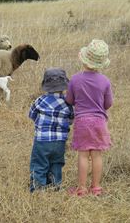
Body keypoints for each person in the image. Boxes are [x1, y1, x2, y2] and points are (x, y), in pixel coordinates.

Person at [66, 39, 113, 196]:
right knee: (97, 154)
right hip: (99, 122)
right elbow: (108, 104)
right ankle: (96, 187)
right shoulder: (105, 81)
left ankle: (81, 188)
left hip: (82, 122)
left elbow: (69, 101)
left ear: (84, 58)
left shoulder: (75, 79)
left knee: (83, 155)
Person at [29, 68, 74, 193]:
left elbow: (32, 114)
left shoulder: (40, 100)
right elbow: (71, 118)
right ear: (64, 85)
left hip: (42, 140)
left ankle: (38, 188)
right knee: (57, 163)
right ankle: (55, 185)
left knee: (39, 163)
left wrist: (40, 123)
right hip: (60, 141)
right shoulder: (68, 103)